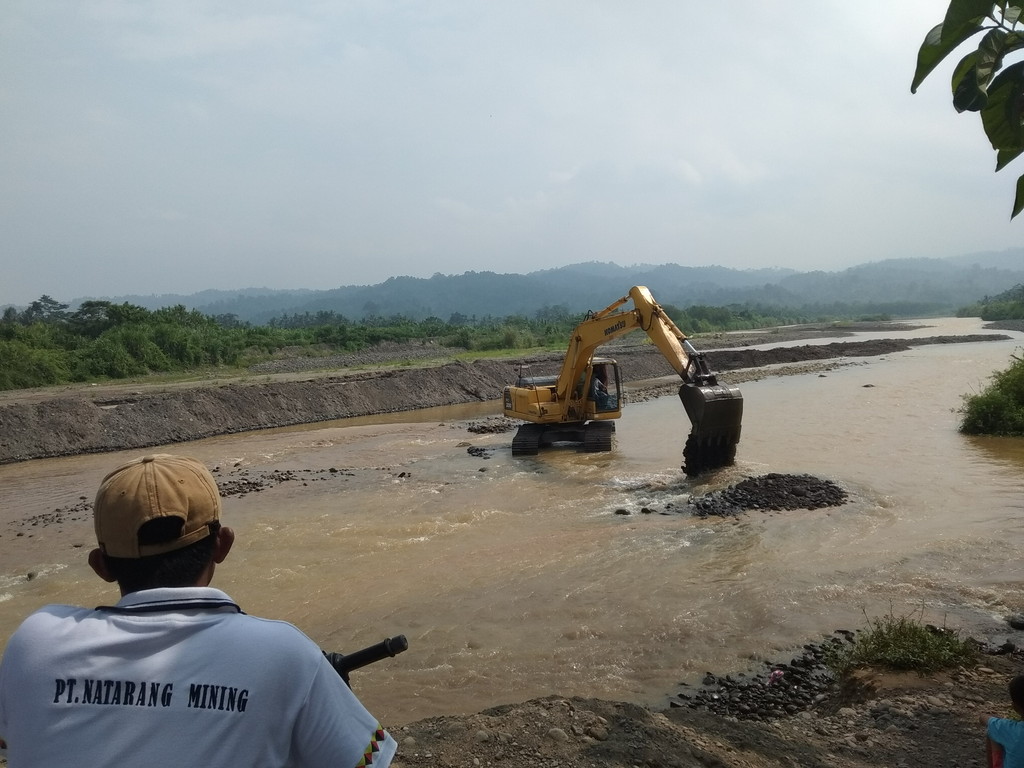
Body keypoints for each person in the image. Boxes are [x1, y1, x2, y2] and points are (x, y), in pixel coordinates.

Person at [0, 453, 397, 767]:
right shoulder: (285, 653)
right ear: (222, 544)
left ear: (101, 566)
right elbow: (364, 761)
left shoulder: (35, 641)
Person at [981, 675, 1024, 768]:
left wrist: (998, 720)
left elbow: (983, 718)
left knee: (992, 730)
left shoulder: (1009, 729)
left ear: (1015, 708)